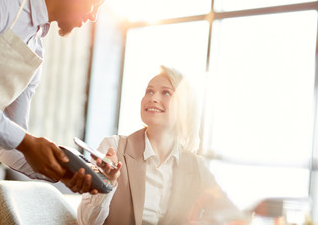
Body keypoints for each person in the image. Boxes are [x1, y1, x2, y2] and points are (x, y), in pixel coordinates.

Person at [77, 66, 244, 224]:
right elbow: (86, 222)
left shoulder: (196, 167)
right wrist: (107, 183)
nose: (153, 98)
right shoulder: (113, 147)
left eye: (166, 92)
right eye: (149, 91)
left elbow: (231, 214)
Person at [0, 0, 110, 193]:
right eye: (96, 2)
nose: (94, 16)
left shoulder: (36, 50)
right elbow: (20, 140)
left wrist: (66, 172)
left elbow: (8, 144)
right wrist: (27, 142)